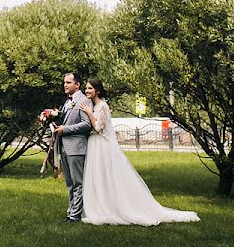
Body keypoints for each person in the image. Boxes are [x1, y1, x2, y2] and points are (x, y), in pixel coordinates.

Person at [78, 78, 200, 226]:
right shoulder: (92, 105)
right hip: (94, 144)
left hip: (103, 145)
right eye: (86, 88)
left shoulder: (102, 106)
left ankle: (114, 207)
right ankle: (99, 205)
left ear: (97, 90)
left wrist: (90, 114)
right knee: (97, 175)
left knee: (108, 175)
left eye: (90, 88)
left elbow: (99, 128)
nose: (87, 91)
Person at [52, 72, 92, 223]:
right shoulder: (68, 102)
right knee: (69, 183)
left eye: (68, 82)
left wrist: (66, 130)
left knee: (78, 183)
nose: (65, 85)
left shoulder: (84, 101)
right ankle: (71, 211)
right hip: (65, 147)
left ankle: (75, 216)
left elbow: (87, 124)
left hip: (77, 148)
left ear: (77, 85)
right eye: (64, 82)